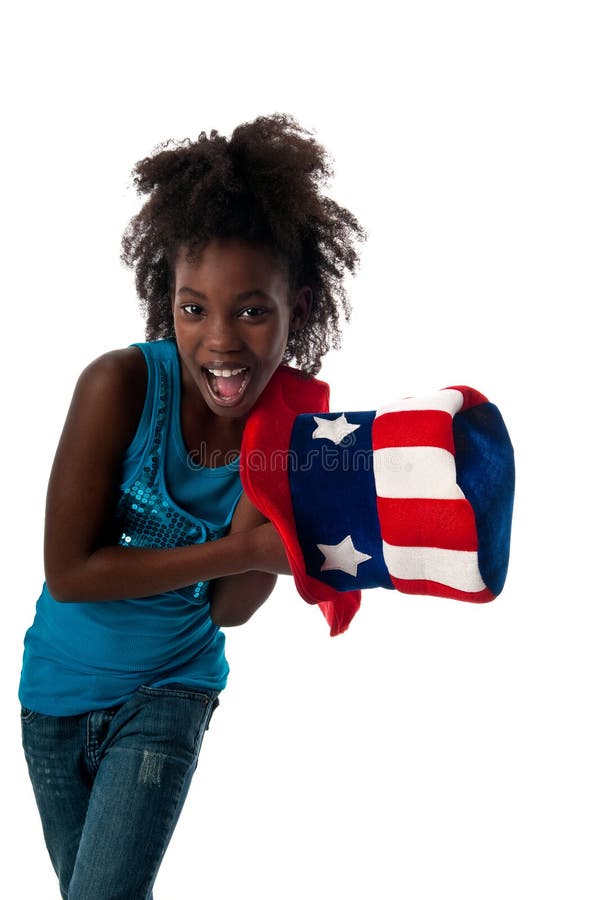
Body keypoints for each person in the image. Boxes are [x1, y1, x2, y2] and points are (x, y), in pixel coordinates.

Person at [18, 113, 365, 899]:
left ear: (298, 310)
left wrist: (282, 503)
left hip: (170, 692)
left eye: (251, 310)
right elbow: (70, 573)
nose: (219, 341)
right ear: (164, 303)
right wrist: (241, 548)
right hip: (53, 697)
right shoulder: (120, 386)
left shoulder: (288, 433)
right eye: (192, 308)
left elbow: (228, 610)